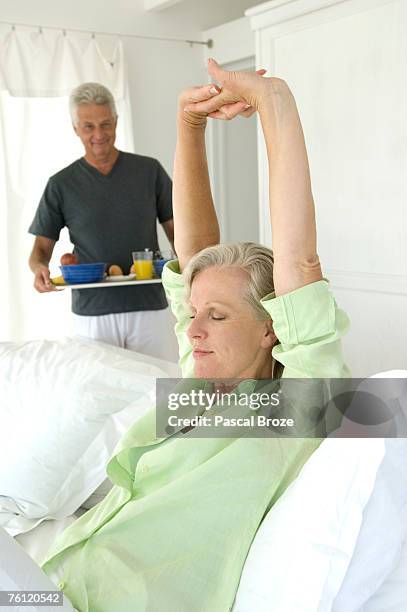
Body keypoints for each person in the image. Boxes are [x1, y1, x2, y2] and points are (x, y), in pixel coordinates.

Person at [37, 61, 350, 611]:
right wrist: (189, 122)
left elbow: (299, 258)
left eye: (219, 317)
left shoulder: (295, 410)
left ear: (271, 327)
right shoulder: (199, 388)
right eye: (194, 313)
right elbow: (193, 254)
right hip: (48, 580)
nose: (193, 327)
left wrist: (274, 103)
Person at [28, 82, 176, 361]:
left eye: (106, 124)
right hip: (92, 312)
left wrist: (192, 272)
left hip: (149, 305)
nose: (99, 134)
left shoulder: (149, 170)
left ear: (117, 122)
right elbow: (40, 252)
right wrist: (39, 270)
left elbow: (179, 234)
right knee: (101, 398)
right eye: (88, 127)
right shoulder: (61, 184)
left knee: (161, 389)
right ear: (75, 128)